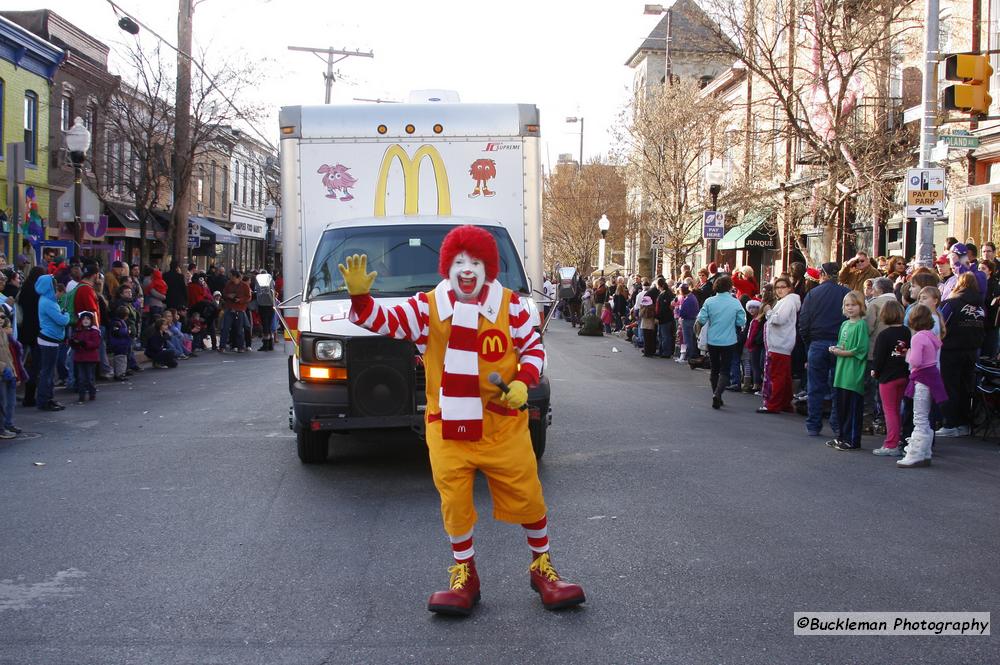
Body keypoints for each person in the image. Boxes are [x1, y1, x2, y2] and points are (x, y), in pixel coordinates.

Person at [339, 225, 584, 616]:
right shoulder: (427, 307)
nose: (466, 269)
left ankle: (543, 568)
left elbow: (533, 347)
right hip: (448, 426)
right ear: (446, 267)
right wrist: (361, 298)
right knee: (453, 501)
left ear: (487, 267)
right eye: (458, 262)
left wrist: (524, 380)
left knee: (529, 495)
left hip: (502, 425)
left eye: (474, 262)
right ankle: (465, 574)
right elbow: (387, 321)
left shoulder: (513, 306)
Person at [797, 262, 850, 437]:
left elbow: (803, 323)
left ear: (823, 274)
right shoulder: (845, 293)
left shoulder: (813, 293)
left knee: (815, 386)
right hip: (838, 342)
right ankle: (835, 424)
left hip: (818, 342)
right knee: (837, 385)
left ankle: (814, 423)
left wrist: (808, 343)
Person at [935, 272, 985, 438]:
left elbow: (942, 325)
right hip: (971, 351)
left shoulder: (951, 303)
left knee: (949, 386)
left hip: (950, 351)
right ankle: (963, 422)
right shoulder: (980, 307)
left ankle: (950, 422)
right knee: (965, 387)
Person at [899, 304, 947, 468]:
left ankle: (917, 453)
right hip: (931, 376)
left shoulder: (918, 337)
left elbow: (915, 361)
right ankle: (925, 451)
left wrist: (908, 354)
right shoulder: (931, 336)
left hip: (921, 378)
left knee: (919, 416)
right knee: (925, 416)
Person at [695, 275, 747, 410]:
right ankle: (718, 394)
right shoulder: (735, 302)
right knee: (725, 368)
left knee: (714, 368)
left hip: (713, 339)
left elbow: (701, 319)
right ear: (730, 287)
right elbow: (741, 321)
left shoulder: (709, 301)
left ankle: (715, 393)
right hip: (729, 340)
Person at [827, 291, 869, 451]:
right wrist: (836, 348)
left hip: (853, 374)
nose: (850, 308)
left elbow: (861, 350)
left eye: (854, 305)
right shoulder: (845, 324)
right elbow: (842, 344)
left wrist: (841, 352)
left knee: (852, 409)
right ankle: (841, 437)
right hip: (841, 373)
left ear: (861, 306)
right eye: (847, 305)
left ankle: (852, 440)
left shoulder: (861, 325)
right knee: (841, 407)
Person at [870, 300, 910, 457]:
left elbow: (879, 358)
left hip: (888, 377)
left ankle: (891, 443)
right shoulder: (906, 331)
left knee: (889, 410)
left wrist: (875, 371)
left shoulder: (884, 335)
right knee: (897, 408)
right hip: (903, 374)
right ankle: (897, 440)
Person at [758, 277, 800, 414]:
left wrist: (768, 311)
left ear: (789, 288)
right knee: (784, 375)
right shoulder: (786, 302)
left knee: (775, 375)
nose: (780, 290)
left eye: (783, 287)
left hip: (779, 344)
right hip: (781, 343)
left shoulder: (788, 302)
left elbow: (778, 319)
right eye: (777, 287)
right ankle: (785, 403)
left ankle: (773, 404)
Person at [34, 274, 69, 411]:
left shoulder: (47, 300)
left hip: (50, 339)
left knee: (48, 372)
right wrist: (66, 314)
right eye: (53, 284)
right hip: (49, 340)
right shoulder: (48, 302)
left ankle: (49, 398)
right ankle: (45, 400)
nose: (55, 286)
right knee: (47, 373)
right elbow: (62, 320)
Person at [69, 311, 101, 404]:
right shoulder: (78, 331)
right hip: (80, 357)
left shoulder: (94, 331)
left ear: (91, 320)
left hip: (91, 358)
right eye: (84, 319)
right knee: (81, 378)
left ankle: (92, 393)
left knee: (90, 377)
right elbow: (74, 343)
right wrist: (73, 343)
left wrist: (85, 343)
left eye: (88, 319)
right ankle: (81, 395)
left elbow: (96, 344)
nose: (85, 321)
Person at [0, 311, 23, 438]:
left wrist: (14, 372)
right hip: (2, 372)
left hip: (8, 371)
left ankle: (7, 424)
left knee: (10, 401)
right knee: (2, 402)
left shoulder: (3, 333)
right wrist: (4, 368)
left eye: (3, 317)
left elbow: (10, 356)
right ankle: (2, 428)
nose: (1, 319)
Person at [220, 270, 251, 353]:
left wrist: (240, 300)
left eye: (231, 276)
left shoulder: (244, 285)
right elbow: (224, 293)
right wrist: (228, 296)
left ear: (235, 276)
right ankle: (222, 346)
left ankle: (240, 347)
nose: (230, 278)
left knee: (239, 329)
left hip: (239, 309)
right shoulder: (228, 284)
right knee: (225, 328)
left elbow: (248, 297)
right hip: (229, 308)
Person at [980, 260, 1000, 358]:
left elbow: (993, 303)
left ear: (990, 271)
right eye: (979, 268)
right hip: (979, 324)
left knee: (988, 353)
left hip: (990, 324)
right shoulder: (977, 283)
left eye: (983, 269)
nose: (980, 271)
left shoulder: (994, 284)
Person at [108, 306, 132, 381]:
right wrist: (127, 331)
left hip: (120, 344)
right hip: (120, 344)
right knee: (121, 359)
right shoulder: (117, 323)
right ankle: (120, 374)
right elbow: (117, 332)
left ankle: (119, 373)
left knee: (119, 359)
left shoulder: (118, 322)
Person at [677, 283, 700, 362]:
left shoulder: (688, 299)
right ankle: (692, 355)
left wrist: (678, 309)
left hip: (687, 320)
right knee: (692, 339)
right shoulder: (692, 297)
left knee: (688, 339)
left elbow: (683, 312)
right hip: (692, 320)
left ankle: (689, 356)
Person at [654, 278, 675, 358]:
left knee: (665, 335)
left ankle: (666, 352)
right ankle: (661, 350)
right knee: (661, 335)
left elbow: (663, 308)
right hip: (663, 318)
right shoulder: (663, 293)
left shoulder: (666, 294)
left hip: (665, 319)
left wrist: (658, 317)